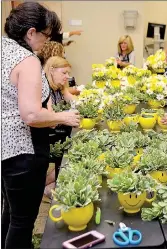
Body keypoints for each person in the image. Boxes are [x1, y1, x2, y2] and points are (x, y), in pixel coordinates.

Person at [1, 3, 80, 248]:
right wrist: (62, 117)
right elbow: (31, 114)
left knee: (10, 214)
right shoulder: (27, 60)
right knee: (23, 221)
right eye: (45, 35)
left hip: (6, 148)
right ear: (31, 32)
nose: (45, 41)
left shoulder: (4, 48)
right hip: (24, 150)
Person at [43, 56, 77, 199]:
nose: (67, 77)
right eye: (64, 73)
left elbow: (75, 102)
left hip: (59, 132)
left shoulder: (60, 87)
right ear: (51, 70)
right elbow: (50, 119)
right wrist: (67, 114)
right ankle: (47, 187)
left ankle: (50, 184)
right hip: (47, 136)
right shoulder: (45, 87)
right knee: (72, 149)